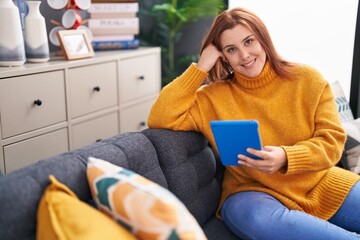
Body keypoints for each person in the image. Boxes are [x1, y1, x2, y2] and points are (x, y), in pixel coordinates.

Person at [147, 7, 360, 240]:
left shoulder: (308, 79)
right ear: (223, 56)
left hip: (321, 183)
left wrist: (285, 157)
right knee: (255, 218)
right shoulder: (211, 97)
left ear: (263, 39)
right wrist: (200, 68)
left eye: (249, 42)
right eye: (231, 49)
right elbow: (160, 116)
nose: (245, 55)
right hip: (251, 193)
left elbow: (332, 143)